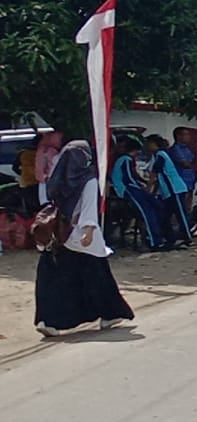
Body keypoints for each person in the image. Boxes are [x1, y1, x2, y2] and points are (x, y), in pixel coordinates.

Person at [34, 140, 134, 337]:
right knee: (98, 280)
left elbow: (48, 204)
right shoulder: (88, 180)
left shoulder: (55, 179)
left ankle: (48, 320)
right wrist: (88, 231)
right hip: (84, 238)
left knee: (53, 279)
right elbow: (88, 209)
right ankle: (110, 314)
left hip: (59, 237)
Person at [109, 136, 164, 251]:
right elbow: (128, 178)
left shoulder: (125, 159)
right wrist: (140, 187)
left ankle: (157, 237)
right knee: (146, 212)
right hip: (127, 189)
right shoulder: (126, 159)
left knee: (155, 206)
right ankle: (153, 240)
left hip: (130, 187)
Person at [168, 128, 197, 216]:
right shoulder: (176, 149)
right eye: (186, 134)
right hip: (181, 181)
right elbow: (185, 164)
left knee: (187, 206)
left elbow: (194, 162)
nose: (189, 137)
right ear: (179, 136)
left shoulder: (187, 149)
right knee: (180, 207)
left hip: (189, 181)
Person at [33, 130, 62, 209]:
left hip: (44, 184)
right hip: (49, 184)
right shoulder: (49, 151)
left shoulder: (42, 149)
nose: (60, 141)